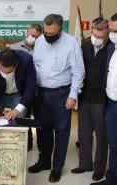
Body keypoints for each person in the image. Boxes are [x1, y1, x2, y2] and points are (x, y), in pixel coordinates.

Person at [28, 14, 85, 183]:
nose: (48, 36)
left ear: (60, 30)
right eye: (46, 32)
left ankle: (57, 167)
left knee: (61, 132)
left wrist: (73, 95)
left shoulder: (71, 43)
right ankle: (44, 162)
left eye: (52, 34)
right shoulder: (39, 41)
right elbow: (36, 66)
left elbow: (78, 71)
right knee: (42, 130)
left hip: (62, 94)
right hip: (41, 93)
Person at [0, 48, 37, 175]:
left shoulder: (26, 60)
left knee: (18, 127)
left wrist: (17, 109)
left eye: (8, 72)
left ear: (16, 65)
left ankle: (15, 159)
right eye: (2, 71)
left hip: (18, 94)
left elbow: (30, 88)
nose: (5, 74)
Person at [71, 18, 110, 182]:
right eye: (94, 34)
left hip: (102, 100)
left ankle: (99, 168)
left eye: (99, 36)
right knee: (84, 134)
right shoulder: (85, 46)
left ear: (107, 36)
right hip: (85, 97)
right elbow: (78, 70)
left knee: (102, 136)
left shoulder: (111, 50)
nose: (95, 38)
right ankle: (85, 163)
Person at [91, 13, 117, 185]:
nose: (113, 34)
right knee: (113, 143)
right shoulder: (111, 49)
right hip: (111, 104)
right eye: (112, 30)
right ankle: (113, 178)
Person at [11, 23, 42, 151]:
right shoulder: (14, 48)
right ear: (26, 33)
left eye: (36, 36)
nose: (32, 38)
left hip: (40, 89)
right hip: (21, 90)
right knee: (23, 118)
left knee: (40, 118)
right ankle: (26, 143)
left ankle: (41, 144)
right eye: (31, 35)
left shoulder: (42, 49)